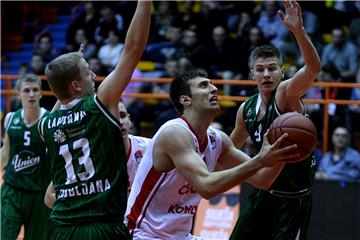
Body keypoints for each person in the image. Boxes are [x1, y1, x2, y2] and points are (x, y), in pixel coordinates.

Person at [125, 69, 303, 240]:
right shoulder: (174, 133)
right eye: (203, 85)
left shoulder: (217, 140)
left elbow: (263, 180)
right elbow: (207, 187)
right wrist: (259, 160)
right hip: (143, 233)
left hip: (180, 236)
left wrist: (283, 152)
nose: (214, 88)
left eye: (212, 84)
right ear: (186, 100)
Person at [37, 1, 151, 239]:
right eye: (88, 71)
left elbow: (62, 98)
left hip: (61, 229)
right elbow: (133, 48)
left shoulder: (45, 124)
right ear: (76, 85)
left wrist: (69, 71)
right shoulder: (99, 104)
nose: (94, 75)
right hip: (102, 226)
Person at [229, 0, 321, 239]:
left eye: (272, 68)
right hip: (263, 195)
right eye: (260, 70)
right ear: (252, 75)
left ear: (283, 71)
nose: (266, 74)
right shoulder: (246, 110)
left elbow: (312, 69)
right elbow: (228, 148)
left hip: (293, 201)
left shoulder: (286, 94)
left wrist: (298, 31)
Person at [44, 101, 151, 207]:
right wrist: (90, 202)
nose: (119, 122)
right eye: (113, 116)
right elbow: (49, 197)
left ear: (129, 119)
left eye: (122, 116)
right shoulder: (87, 153)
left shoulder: (149, 147)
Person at [0, 74, 52, 240]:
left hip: (39, 193)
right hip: (12, 190)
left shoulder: (49, 120)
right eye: (26, 90)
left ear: (41, 93)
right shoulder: (10, 118)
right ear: (18, 94)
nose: (31, 94)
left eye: (35, 90)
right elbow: (5, 153)